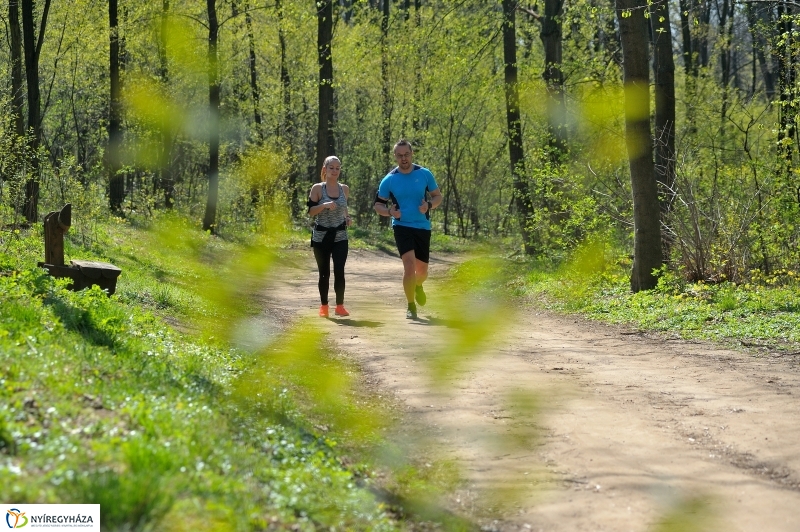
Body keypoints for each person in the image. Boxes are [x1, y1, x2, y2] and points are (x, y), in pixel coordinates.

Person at [374, 139, 442, 319]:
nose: (403, 158)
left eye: (406, 155)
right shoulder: (389, 180)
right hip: (401, 226)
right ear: (395, 157)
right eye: (399, 155)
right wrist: (389, 212)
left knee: (422, 272)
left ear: (411, 154)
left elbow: (437, 197)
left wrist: (429, 205)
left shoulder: (425, 174)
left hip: (422, 226)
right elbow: (378, 205)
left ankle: (418, 285)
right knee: (409, 266)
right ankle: (411, 306)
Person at [307, 156, 352, 318]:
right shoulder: (318, 189)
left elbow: (344, 209)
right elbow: (311, 212)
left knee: (339, 270)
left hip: (340, 235)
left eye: (337, 168)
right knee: (324, 272)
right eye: (331, 168)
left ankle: (340, 306)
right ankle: (324, 306)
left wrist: (347, 218)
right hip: (322, 236)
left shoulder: (344, 189)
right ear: (325, 169)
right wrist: (324, 205)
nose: (335, 171)